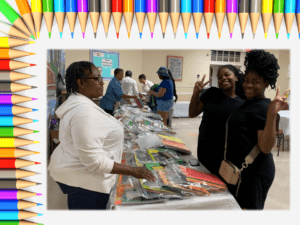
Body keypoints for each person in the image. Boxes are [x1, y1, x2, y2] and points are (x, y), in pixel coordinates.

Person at [48, 61, 155, 210]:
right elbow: (94, 162)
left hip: (83, 181)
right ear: (81, 82)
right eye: (97, 78)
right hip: (88, 187)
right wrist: (134, 170)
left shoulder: (81, 104)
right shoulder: (83, 113)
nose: (102, 83)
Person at [224, 50, 289, 209]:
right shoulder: (250, 102)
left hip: (254, 173)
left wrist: (272, 115)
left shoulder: (263, 108)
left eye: (255, 81)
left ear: (266, 83)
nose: (248, 85)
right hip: (241, 171)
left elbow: (266, 147)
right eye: (246, 80)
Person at [189, 65, 246, 177]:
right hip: (205, 149)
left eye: (227, 74)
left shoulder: (242, 102)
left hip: (226, 155)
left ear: (236, 78)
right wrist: (196, 92)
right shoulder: (211, 93)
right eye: (219, 77)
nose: (223, 78)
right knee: (205, 179)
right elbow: (192, 113)